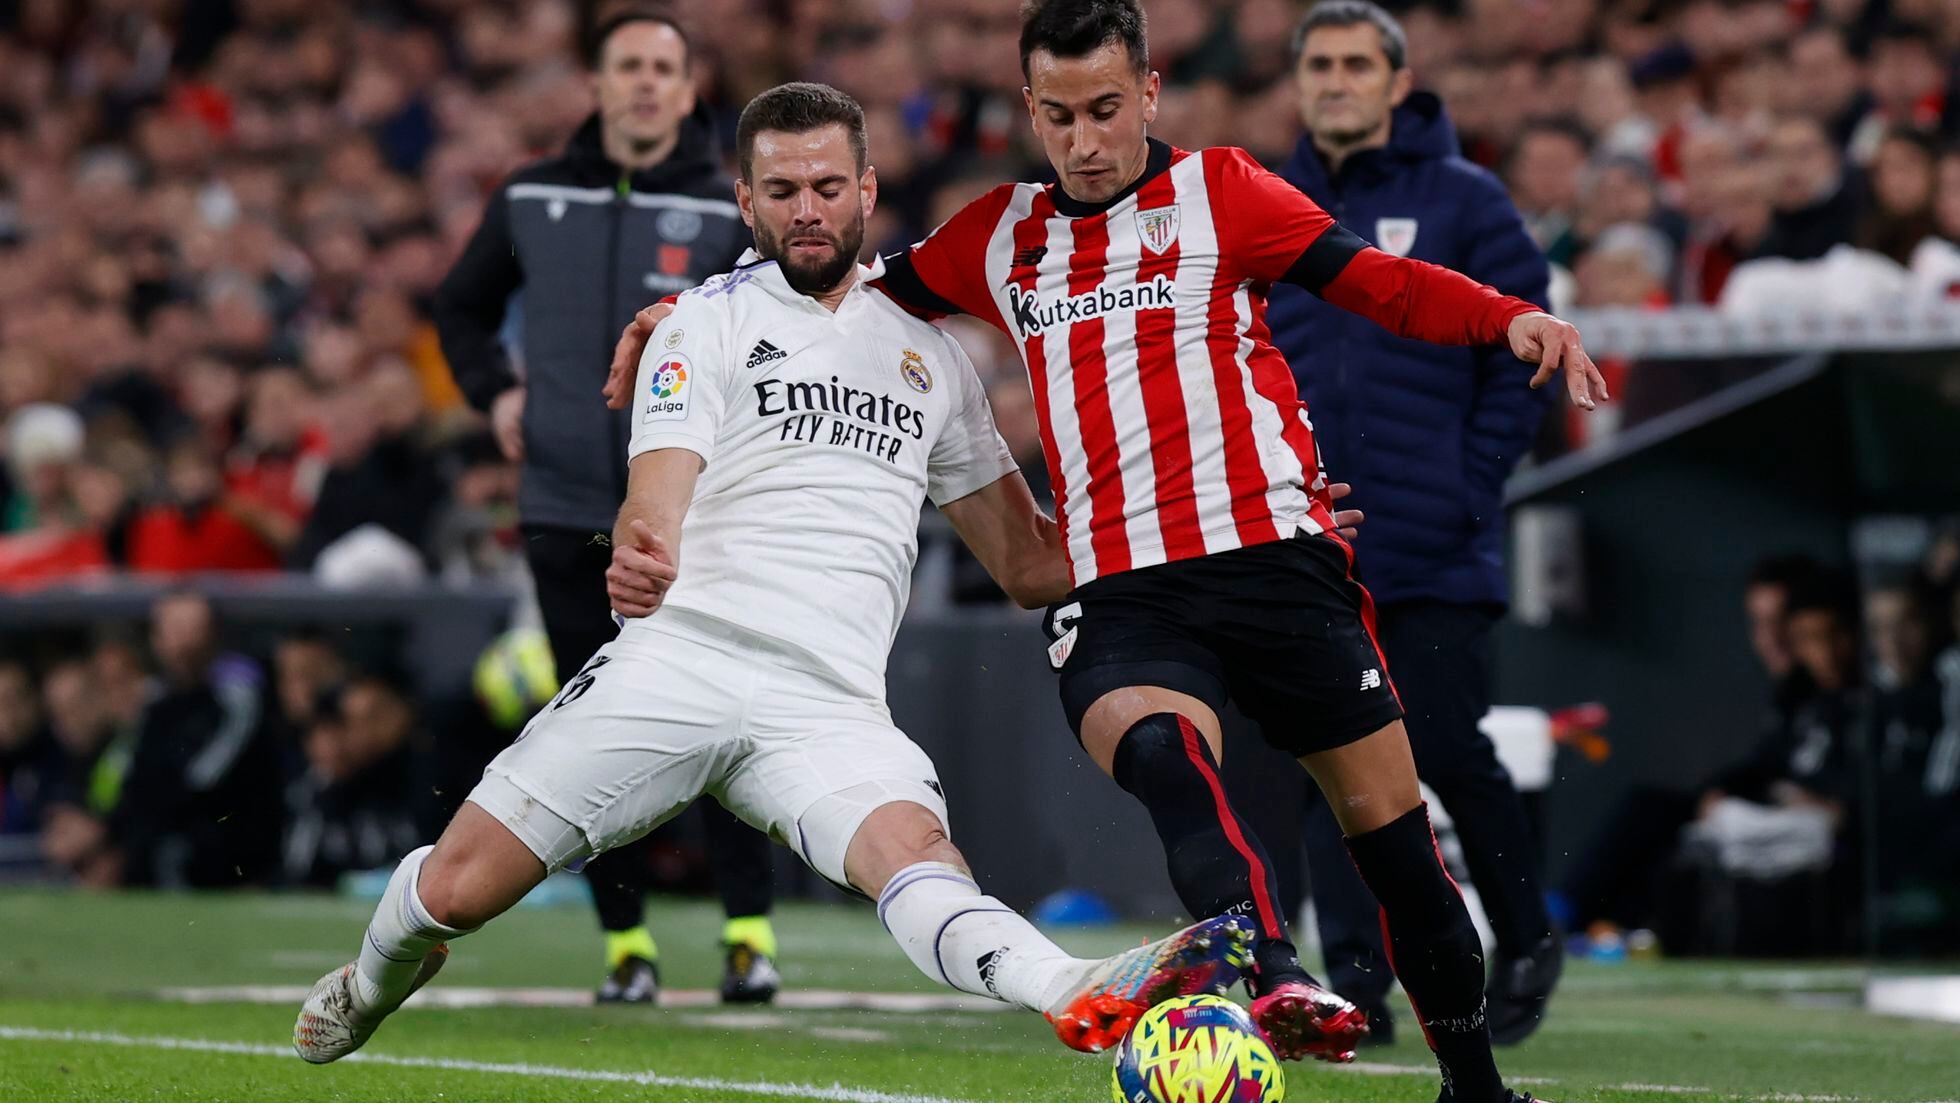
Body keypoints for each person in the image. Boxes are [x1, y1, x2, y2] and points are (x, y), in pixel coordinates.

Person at [610, 4, 1603, 1098]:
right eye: (1060, 116)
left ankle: (1473, 1081)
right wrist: (693, 312)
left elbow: (1377, 281)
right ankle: (1264, 963)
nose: (1084, 141)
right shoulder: (1000, 232)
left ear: (1148, 93)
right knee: (1167, 759)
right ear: (1029, 108)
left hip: (1274, 552)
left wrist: (1508, 315)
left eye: (1105, 110)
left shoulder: (1225, 192)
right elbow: (840, 299)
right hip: (1122, 583)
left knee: (1397, 849)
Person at [293, 82, 1254, 1068]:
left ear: (868, 189)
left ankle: (1070, 985)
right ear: (744, 203)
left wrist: (1228, 516)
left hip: (827, 698)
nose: (808, 209)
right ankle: (372, 978)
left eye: (829, 185)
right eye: (783, 189)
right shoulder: (697, 325)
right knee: (454, 890)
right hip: (682, 661)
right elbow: (656, 493)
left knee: (920, 857)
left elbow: (1030, 562)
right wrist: (642, 547)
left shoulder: (934, 357)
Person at [432, 8, 779, 1004]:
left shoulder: (728, 205)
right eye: (627, 64)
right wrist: (495, 390)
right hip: (560, 502)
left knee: (717, 720)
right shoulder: (531, 190)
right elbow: (458, 305)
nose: (643, 83)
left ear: (685, 86)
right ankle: (625, 943)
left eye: (662, 68)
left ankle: (747, 934)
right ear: (597, 81)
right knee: (589, 730)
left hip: (695, 512)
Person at [1265, 1, 1561, 1048]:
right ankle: (1357, 983)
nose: (1336, 81)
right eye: (1319, 64)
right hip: (1308, 542)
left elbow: (1528, 354)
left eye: (1356, 64)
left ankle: (1527, 931)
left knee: (1441, 745)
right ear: (1296, 82)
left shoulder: (1467, 202)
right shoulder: (1267, 202)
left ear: (1398, 82)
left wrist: (1466, 485)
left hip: (1432, 539)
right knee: (1325, 761)